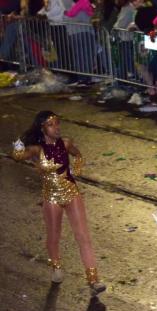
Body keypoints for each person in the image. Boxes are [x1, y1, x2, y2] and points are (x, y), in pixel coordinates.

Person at [11, 111, 106, 296]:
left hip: (71, 193)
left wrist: (76, 169)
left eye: (57, 123)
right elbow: (17, 157)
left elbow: (78, 155)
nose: (56, 128)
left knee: (83, 237)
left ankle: (93, 280)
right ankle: (56, 266)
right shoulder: (36, 149)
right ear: (43, 128)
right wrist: (18, 145)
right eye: (51, 125)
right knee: (54, 236)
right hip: (52, 197)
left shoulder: (67, 143)